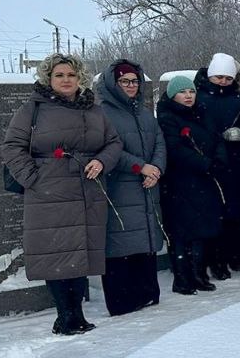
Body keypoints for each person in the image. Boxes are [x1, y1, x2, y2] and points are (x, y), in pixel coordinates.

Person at [0, 53, 123, 336]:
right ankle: (64, 315)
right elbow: (12, 147)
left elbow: (113, 142)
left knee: (81, 254)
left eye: (71, 75)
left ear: (79, 78)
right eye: (59, 75)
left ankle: (76, 314)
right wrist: (34, 178)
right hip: (49, 193)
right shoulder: (33, 109)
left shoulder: (94, 109)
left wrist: (102, 161)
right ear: (48, 79)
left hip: (86, 190)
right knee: (57, 256)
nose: (66, 80)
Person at [96, 59, 167, 315]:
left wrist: (156, 168)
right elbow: (109, 149)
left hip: (148, 185)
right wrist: (141, 167)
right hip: (120, 187)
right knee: (121, 241)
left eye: (134, 81)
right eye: (124, 81)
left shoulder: (144, 113)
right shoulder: (102, 113)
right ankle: (123, 300)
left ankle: (146, 293)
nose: (130, 86)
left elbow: (159, 142)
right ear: (112, 84)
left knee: (145, 239)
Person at [156, 75, 224, 295]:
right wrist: (204, 163)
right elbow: (174, 149)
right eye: (183, 92)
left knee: (201, 230)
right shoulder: (167, 117)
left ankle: (198, 273)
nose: (188, 96)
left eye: (191, 92)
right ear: (173, 94)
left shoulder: (203, 113)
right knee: (182, 231)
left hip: (205, 180)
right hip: (180, 181)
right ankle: (183, 278)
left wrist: (218, 161)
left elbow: (216, 139)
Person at [196, 52, 240, 273]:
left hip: (235, 161)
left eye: (227, 78)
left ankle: (235, 254)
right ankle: (215, 257)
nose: (223, 82)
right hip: (209, 160)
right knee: (213, 211)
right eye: (218, 77)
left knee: (233, 212)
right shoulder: (198, 98)